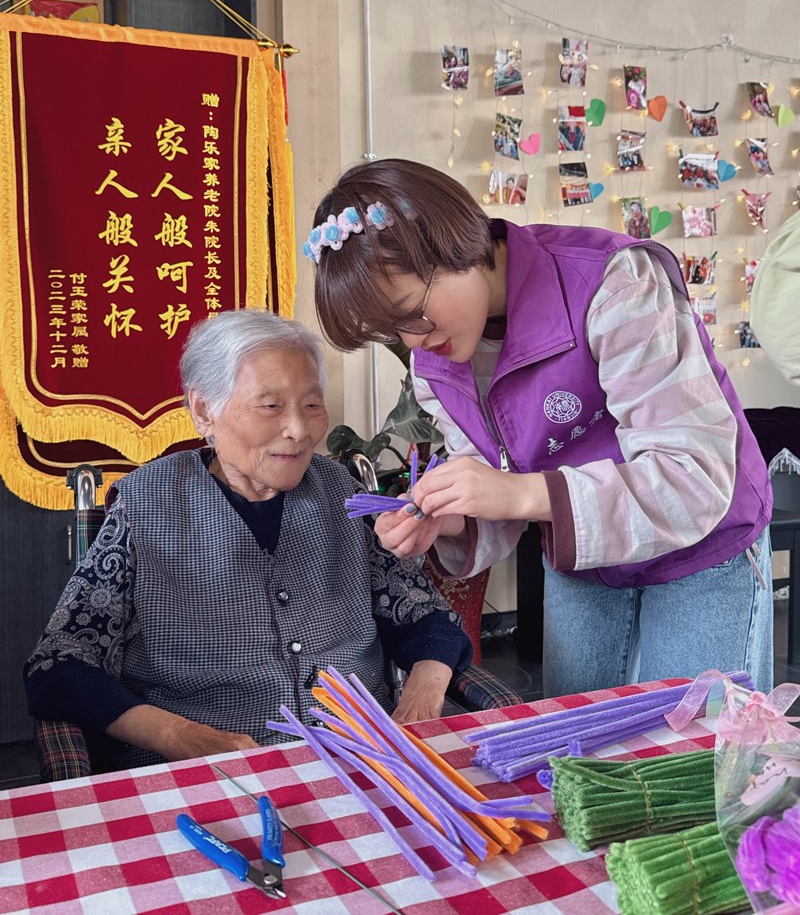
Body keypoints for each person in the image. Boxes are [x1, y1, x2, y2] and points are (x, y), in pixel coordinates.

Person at [306, 158, 774, 698]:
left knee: (698, 744)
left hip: (704, 545)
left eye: (413, 312)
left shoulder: (612, 283)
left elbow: (692, 476)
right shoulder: (434, 363)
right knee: (580, 742)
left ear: (452, 244)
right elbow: (491, 477)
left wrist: (520, 492)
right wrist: (450, 516)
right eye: (393, 330)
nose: (413, 341)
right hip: (588, 559)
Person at [24, 309, 471, 771]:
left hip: (360, 756)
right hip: (200, 777)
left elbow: (427, 619)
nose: (299, 430)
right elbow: (60, 665)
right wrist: (177, 735)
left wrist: (420, 697)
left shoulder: (342, 494)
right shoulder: (145, 506)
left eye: (312, 405)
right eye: (271, 406)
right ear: (204, 410)